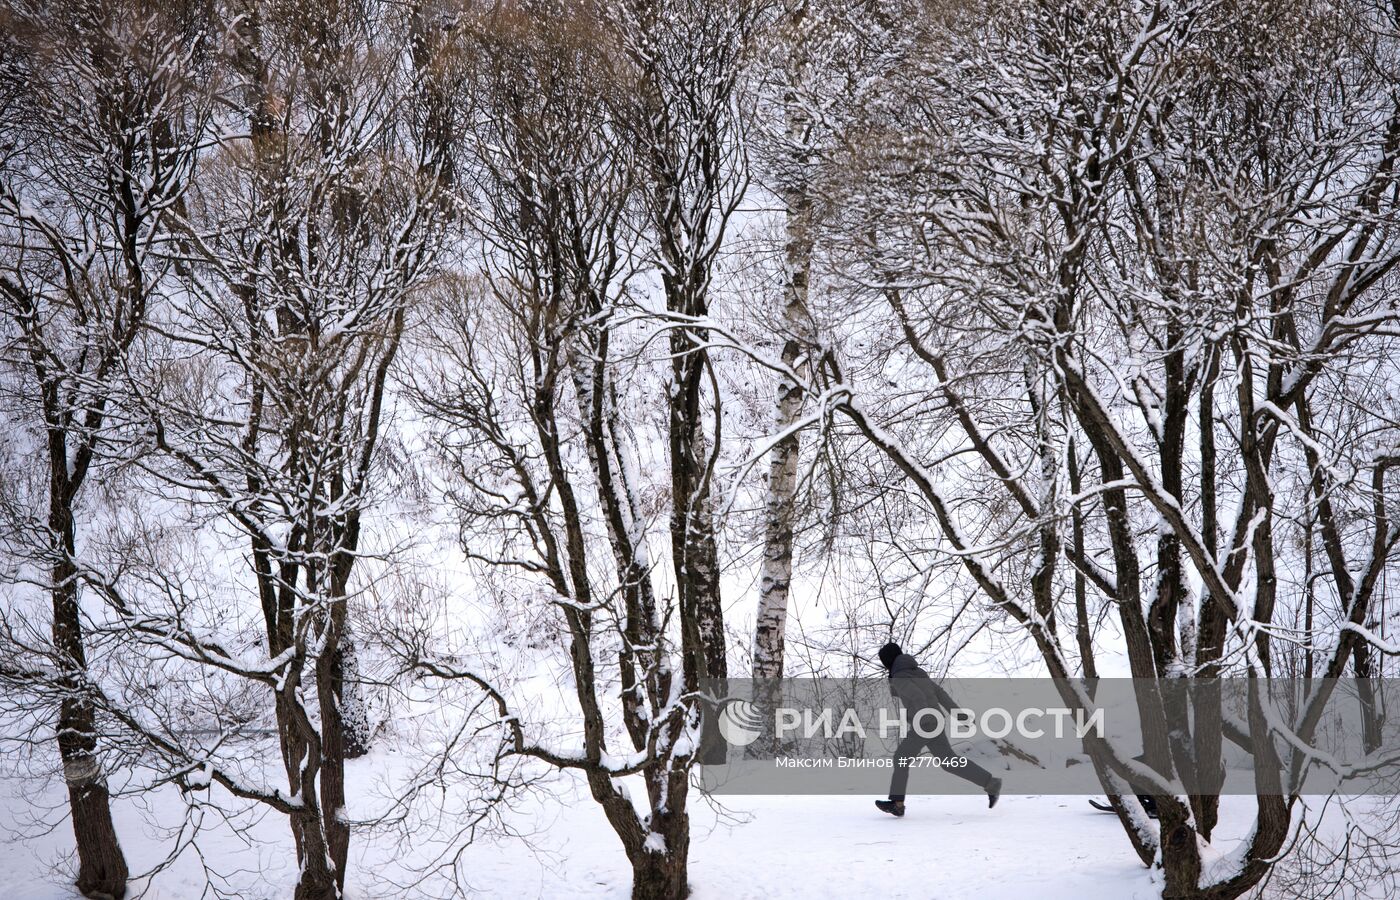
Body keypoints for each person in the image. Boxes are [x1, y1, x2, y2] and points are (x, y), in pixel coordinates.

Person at [873, 641, 1002, 818]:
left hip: (925, 723)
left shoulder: (900, 676)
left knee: (901, 757)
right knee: (949, 762)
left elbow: (916, 696)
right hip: (936, 721)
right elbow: (940, 694)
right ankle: (990, 783)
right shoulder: (917, 672)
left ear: (888, 661)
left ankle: (897, 804)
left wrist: (923, 718)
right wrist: (960, 716)